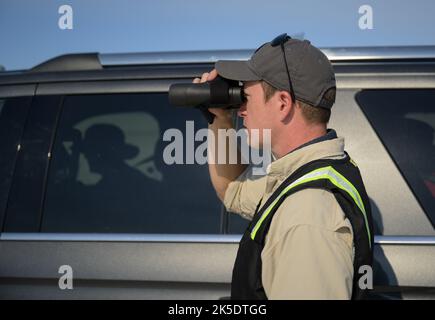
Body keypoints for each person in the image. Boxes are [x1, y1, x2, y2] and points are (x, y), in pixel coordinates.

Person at [193, 34, 374, 300]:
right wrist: (219, 120)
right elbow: (232, 191)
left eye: (246, 96)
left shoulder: (306, 215)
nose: (241, 108)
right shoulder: (315, 173)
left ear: (282, 103)